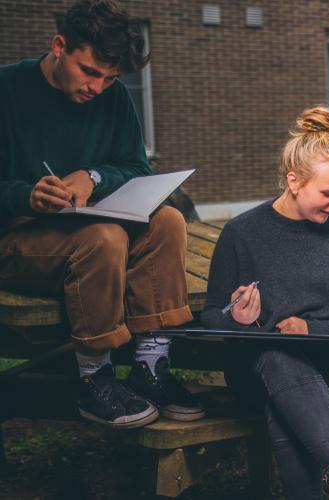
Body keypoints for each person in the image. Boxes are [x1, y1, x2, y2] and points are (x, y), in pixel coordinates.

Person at [0, 0, 202, 428]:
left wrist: (93, 177)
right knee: (103, 237)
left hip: (85, 229)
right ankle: (93, 378)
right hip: (16, 240)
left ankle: (151, 366)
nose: (98, 87)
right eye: (90, 72)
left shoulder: (112, 99)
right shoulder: (8, 90)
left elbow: (135, 168)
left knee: (168, 221)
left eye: (111, 78)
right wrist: (25, 196)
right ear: (59, 46)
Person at [201, 107, 329, 500]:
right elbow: (211, 315)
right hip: (259, 371)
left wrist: (311, 329)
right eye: (328, 193)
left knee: (288, 408)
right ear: (293, 181)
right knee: (278, 357)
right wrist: (235, 317)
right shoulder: (242, 233)